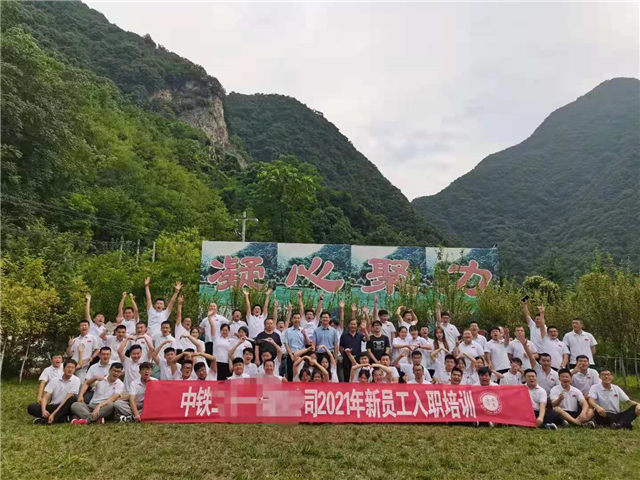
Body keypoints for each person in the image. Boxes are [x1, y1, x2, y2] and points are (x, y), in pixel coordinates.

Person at [28, 359, 80, 424]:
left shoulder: (76, 380)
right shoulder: (55, 380)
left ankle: (47, 421)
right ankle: (63, 419)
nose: (70, 369)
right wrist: (43, 410)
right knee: (31, 407)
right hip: (53, 406)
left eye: (72, 368)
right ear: (63, 369)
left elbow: (66, 399)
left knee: (72, 399)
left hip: (65, 406)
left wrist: (53, 414)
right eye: (68, 367)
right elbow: (45, 397)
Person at [283, 311, 306, 381]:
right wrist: (291, 355)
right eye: (295, 318)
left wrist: (305, 334)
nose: (296, 320)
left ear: (300, 319)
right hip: (291, 355)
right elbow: (286, 343)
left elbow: (307, 343)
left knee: (302, 374)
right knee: (290, 374)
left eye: (298, 318)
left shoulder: (303, 330)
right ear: (292, 319)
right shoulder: (287, 331)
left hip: (301, 355)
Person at [340, 319, 365, 383]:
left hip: (357, 360)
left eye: (354, 324)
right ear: (349, 325)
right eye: (351, 324)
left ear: (357, 325)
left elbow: (367, 339)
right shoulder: (344, 336)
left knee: (357, 377)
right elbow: (340, 347)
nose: (353, 326)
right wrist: (345, 353)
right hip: (347, 360)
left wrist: (364, 329)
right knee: (347, 378)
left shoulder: (360, 335)